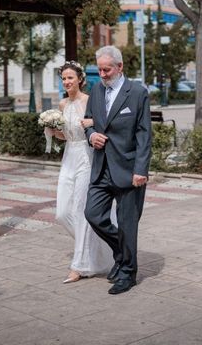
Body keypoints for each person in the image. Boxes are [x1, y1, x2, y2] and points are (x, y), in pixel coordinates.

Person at [84, 45, 152, 295]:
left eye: (106, 69)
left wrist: (141, 169)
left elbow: (144, 134)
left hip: (128, 169)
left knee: (127, 225)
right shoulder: (96, 90)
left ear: (120, 67)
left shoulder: (137, 92)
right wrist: (92, 136)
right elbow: (89, 121)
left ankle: (128, 273)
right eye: (99, 69)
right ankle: (121, 253)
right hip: (101, 167)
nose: (102, 74)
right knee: (93, 214)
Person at [47, 61, 114, 284]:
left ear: (80, 79)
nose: (66, 82)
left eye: (70, 78)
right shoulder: (63, 104)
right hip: (68, 157)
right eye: (63, 78)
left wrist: (91, 122)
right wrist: (52, 131)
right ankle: (98, 249)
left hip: (86, 157)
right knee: (62, 212)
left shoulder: (89, 100)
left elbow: (102, 124)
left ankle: (79, 266)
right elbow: (65, 135)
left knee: (80, 207)